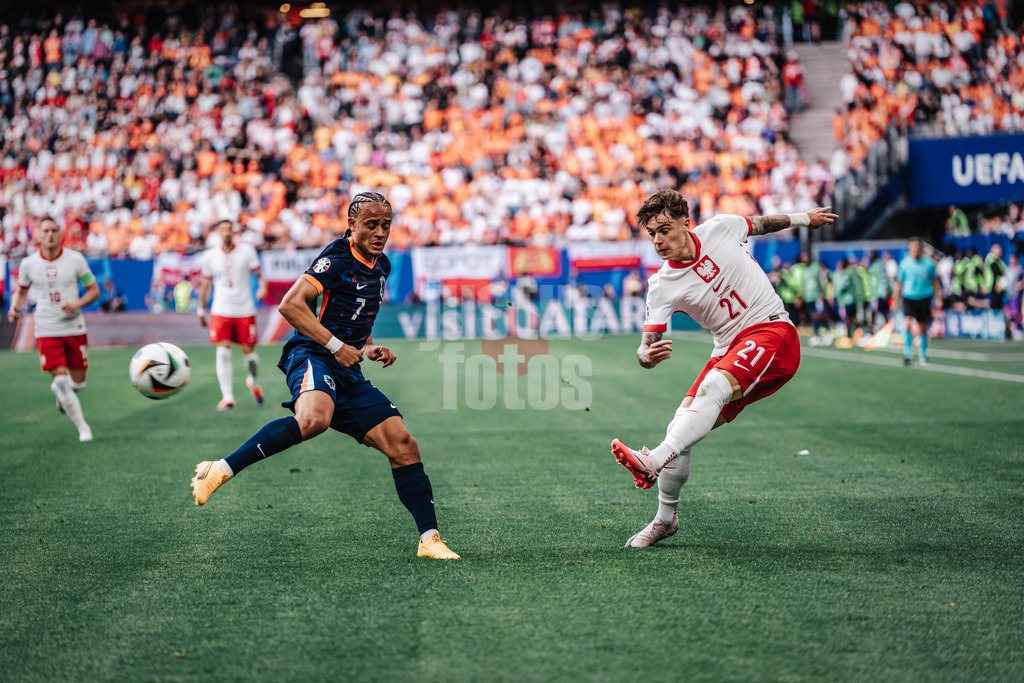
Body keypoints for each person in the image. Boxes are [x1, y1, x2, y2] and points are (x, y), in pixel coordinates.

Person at [190, 193, 459, 560]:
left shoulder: (382, 266)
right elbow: (290, 305)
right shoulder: (335, 259)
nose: (380, 232)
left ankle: (429, 540)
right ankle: (218, 470)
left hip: (347, 364)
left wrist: (367, 347)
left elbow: (356, 318)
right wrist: (336, 346)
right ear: (352, 225)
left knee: (403, 445)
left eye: (386, 225)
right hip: (313, 353)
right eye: (371, 224)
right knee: (315, 419)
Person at [609, 190, 836, 547]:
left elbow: (761, 223)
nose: (658, 240)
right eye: (652, 233)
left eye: (665, 229)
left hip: (773, 331)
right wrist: (645, 356)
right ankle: (664, 520)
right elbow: (646, 343)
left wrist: (805, 217)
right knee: (680, 428)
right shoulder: (661, 285)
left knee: (709, 392)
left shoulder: (720, 229)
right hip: (728, 349)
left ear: (687, 222)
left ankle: (651, 460)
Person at [6, 216, 100, 442]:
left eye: (54, 230)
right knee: (59, 380)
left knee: (78, 382)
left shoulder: (75, 260)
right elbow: (21, 290)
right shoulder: (29, 264)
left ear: (60, 234)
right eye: (46, 230)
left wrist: (77, 303)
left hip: (74, 327)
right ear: (38, 235)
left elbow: (93, 291)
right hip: (46, 327)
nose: (50, 234)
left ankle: (63, 396)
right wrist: (14, 307)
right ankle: (83, 428)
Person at [197, 220, 269, 410]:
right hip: (221, 310)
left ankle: (253, 381)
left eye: (229, 229)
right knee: (222, 352)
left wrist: (262, 289)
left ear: (234, 232)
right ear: (218, 232)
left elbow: (260, 276)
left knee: (250, 353)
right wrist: (200, 308)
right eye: (223, 230)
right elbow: (205, 285)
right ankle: (228, 397)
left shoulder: (246, 251)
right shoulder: (210, 256)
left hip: (245, 309)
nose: (226, 233)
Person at [893, 237, 942, 367]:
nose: (915, 250)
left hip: (924, 297)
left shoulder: (929, 263)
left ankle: (923, 356)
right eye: (913, 247)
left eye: (917, 247)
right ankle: (908, 355)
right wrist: (895, 299)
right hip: (909, 297)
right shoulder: (904, 263)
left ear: (921, 249)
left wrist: (939, 297)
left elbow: (935, 282)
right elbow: (899, 283)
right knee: (907, 324)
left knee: (923, 327)